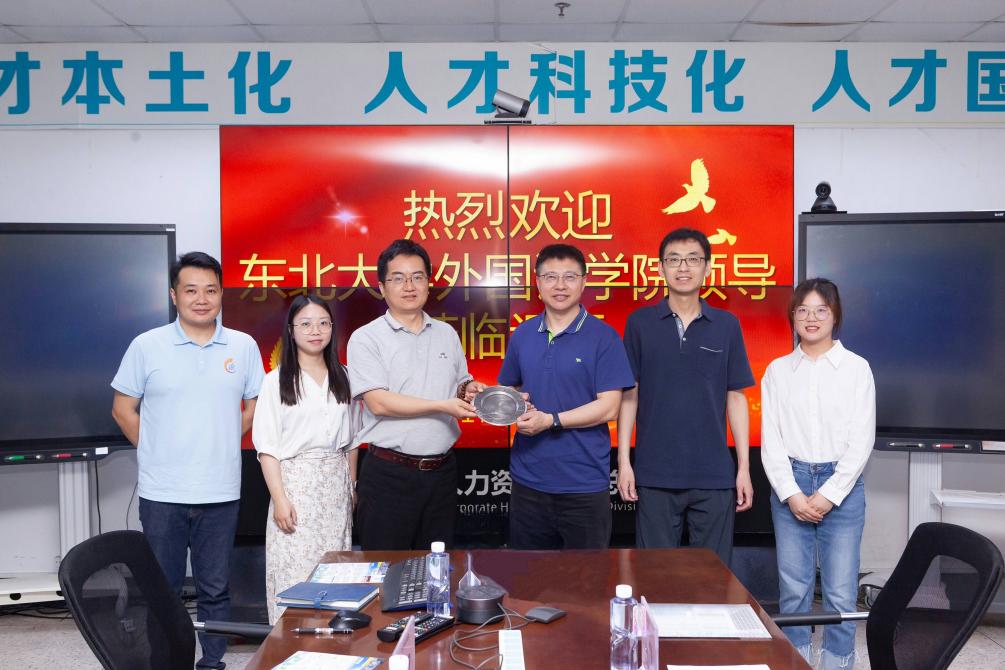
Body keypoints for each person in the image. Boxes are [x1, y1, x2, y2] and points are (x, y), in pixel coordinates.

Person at [111, 251, 264, 670]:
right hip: (163, 494)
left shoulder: (243, 346)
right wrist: (157, 449)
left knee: (216, 588)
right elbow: (123, 410)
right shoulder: (147, 345)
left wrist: (221, 439)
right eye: (191, 290)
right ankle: (167, 663)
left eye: (210, 290)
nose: (201, 299)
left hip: (221, 491)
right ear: (173, 295)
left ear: (221, 294)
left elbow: (254, 407)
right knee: (163, 589)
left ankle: (212, 663)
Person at [617, 227, 754, 564]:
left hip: (714, 474)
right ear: (660, 267)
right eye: (674, 260)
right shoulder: (640, 323)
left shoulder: (727, 325)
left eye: (693, 259)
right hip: (655, 473)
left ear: (708, 267)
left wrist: (743, 468)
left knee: (713, 579)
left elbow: (736, 397)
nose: (683, 268)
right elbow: (629, 396)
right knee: (654, 577)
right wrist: (624, 463)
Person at [761, 278, 875, 669]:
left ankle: (837, 664)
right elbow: (771, 440)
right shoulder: (778, 371)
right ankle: (796, 663)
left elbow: (862, 440)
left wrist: (829, 494)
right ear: (793, 317)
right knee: (793, 593)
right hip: (790, 483)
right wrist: (791, 493)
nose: (811, 318)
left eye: (821, 310)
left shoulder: (856, 369)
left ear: (835, 315)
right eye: (803, 310)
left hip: (842, 486)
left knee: (840, 594)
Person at [347, 239, 485, 550]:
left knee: (435, 567)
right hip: (389, 476)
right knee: (384, 568)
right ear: (382, 287)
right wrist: (442, 405)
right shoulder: (366, 338)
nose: (409, 286)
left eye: (417, 277)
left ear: (428, 282)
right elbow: (378, 403)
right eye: (398, 278)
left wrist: (469, 389)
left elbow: (459, 383)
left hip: (442, 473)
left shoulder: (446, 333)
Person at [498, 244, 635, 549]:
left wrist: (551, 420)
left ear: (583, 282)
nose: (560, 285)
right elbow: (512, 390)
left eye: (569, 277)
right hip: (528, 482)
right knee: (527, 576)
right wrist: (497, 398)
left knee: (586, 578)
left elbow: (609, 407)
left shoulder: (604, 337)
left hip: (584, 485)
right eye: (550, 277)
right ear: (538, 283)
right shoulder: (522, 335)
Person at [252, 295, 358, 624]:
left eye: (323, 323)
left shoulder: (344, 376)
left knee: (335, 573)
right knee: (295, 574)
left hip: (335, 487)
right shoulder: (275, 380)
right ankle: (290, 646)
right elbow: (267, 448)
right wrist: (280, 499)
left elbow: (353, 440)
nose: (316, 331)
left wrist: (352, 487)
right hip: (295, 487)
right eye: (306, 324)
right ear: (291, 330)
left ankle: (334, 646)